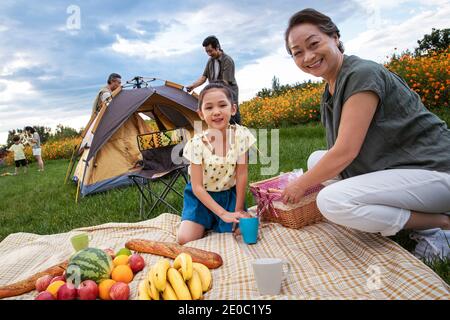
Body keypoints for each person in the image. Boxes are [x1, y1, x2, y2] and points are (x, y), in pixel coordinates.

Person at [281, 8, 450, 261]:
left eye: (314, 44)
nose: (308, 56)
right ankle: (414, 219)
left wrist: (300, 184)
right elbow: (341, 152)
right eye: (298, 53)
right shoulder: (331, 88)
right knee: (316, 160)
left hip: (437, 170)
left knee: (331, 201)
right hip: (402, 165)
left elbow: (345, 152)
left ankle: (438, 226)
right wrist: (307, 179)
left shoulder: (361, 74)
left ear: (335, 37)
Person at [177, 82, 256, 245]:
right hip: (201, 197)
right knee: (185, 238)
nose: (216, 112)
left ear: (233, 109)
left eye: (222, 105)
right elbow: (197, 187)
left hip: (228, 195)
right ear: (200, 113)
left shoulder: (241, 135)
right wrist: (222, 214)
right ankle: (208, 219)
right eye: (209, 108)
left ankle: (215, 222)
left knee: (241, 230)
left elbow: (241, 174)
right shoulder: (196, 144)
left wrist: (238, 209)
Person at [186, 36, 241, 124]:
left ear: (217, 47)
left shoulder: (227, 61)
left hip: (229, 94)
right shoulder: (210, 61)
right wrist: (193, 86)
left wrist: (209, 91)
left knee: (232, 118)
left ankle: (238, 135)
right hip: (215, 93)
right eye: (207, 51)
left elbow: (225, 83)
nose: (209, 54)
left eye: (210, 51)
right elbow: (204, 77)